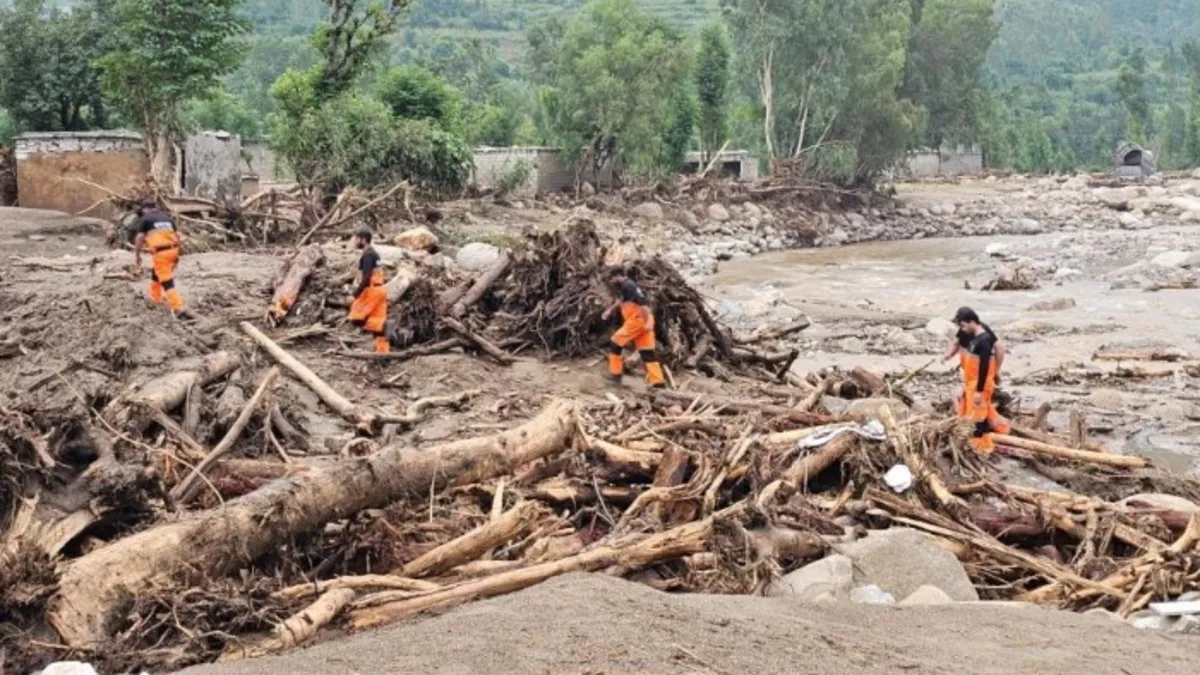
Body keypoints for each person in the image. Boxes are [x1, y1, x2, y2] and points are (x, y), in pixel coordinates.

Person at [952, 307, 1010, 453]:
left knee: (978, 417)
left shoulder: (984, 340)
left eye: (963, 325)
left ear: (972, 322)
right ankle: (1000, 428)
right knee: (971, 410)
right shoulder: (973, 337)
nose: (962, 329)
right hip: (972, 383)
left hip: (980, 385)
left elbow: (984, 367)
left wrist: (978, 391)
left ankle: (982, 445)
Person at [601, 266, 665, 388]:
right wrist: (609, 310)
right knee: (647, 352)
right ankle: (658, 382)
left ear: (617, 276)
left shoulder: (628, 286)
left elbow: (644, 304)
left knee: (615, 342)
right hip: (640, 322)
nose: (611, 281)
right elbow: (621, 300)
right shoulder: (627, 286)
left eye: (612, 278)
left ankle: (615, 374)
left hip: (636, 321)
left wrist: (649, 321)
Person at [133, 200, 187, 317]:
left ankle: (178, 306)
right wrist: (178, 255)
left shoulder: (145, 219)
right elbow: (177, 236)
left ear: (144, 209)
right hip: (174, 250)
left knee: (167, 281)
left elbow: (139, 238)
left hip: (161, 253)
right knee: (156, 273)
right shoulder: (167, 218)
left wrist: (137, 255)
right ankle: (156, 298)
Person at [348, 228, 389, 353]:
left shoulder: (368, 255)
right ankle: (382, 352)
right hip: (380, 290)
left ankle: (370, 345)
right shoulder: (374, 254)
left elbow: (366, 278)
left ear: (363, 240)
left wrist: (354, 295)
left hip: (372, 290)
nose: (355, 242)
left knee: (357, 315)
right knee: (378, 323)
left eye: (357, 239)